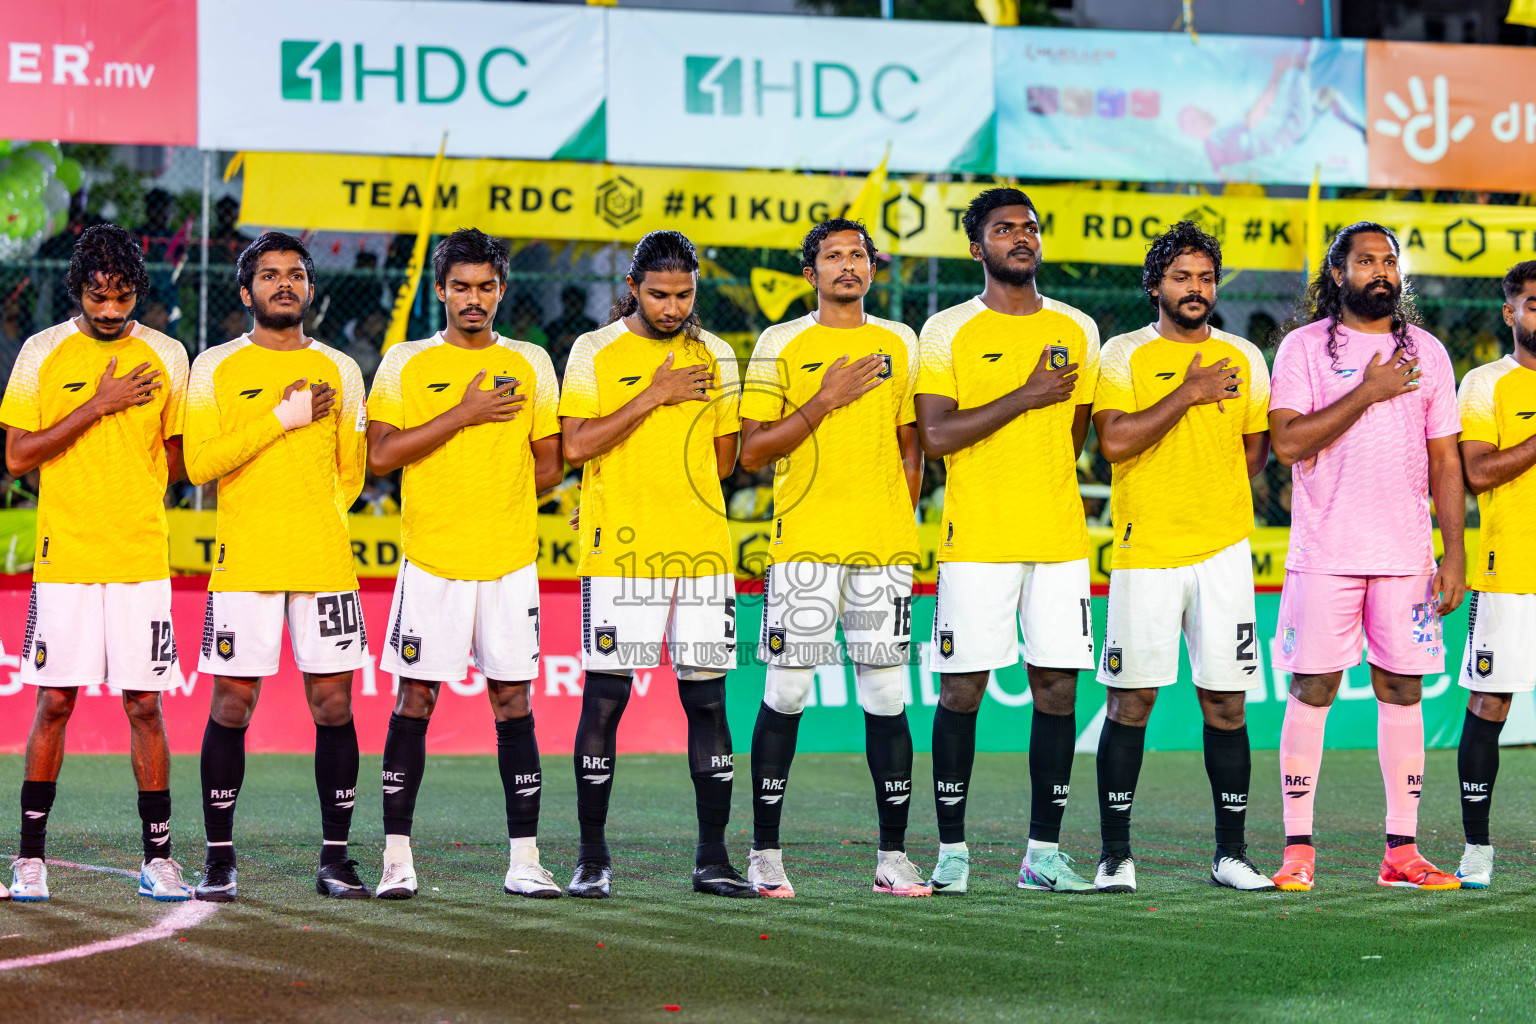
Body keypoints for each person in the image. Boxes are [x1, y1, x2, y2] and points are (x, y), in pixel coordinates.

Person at [1268, 221, 1465, 892]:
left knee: (1403, 689)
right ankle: (1298, 851)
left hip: (1406, 553)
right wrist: (1368, 391)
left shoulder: (1429, 353)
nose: (1380, 270)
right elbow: (1289, 444)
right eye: (1365, 261)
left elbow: (1446, 458)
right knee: (1314, 688)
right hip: (1325, 551)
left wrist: (1453, 551)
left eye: (1389, 261)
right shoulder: (1301, 349)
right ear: (1337, 275)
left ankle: (1401, 854)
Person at [367, 229, 564, 899]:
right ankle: (397, 860)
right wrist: (465, 412)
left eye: (485, 287)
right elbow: (381, 455)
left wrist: (494, 496)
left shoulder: (533, 361)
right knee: (415, 698)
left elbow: (550, 463)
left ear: (501, 291)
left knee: (514, 701)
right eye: (461, 287)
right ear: (441, 291)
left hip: (509, 562)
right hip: (434, 562)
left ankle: (526, 860)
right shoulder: (405, 362)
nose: (473, 299)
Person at [914, 188, 1100, 895]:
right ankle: (953, 853)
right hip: (978, 538)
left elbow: (1074, 436)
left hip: (1056, 538)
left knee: (1057, 688)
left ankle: (1042, 856)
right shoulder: (946, 330)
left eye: (1029, 227)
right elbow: (935, 437)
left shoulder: (1077, 327)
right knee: (963, 690)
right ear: (976, 247)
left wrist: (1035, 416)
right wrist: (1023, 395)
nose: (1021, 237)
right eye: (1003, 229)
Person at [558, 230, 752, 899]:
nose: (673, 307)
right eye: (660, 294)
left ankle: (712, 859)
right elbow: (576, 445)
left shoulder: (719, 354)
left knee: (707, 701)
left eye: (685, 294)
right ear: (634, 288)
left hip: (700, 549)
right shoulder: (595, 350)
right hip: (622, 551)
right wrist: (654, 394)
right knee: (606, 700)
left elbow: (728, 460)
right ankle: (591, 858)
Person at [1, 224, 191, 902]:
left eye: (122, 296)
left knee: (144, 704)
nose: (110, 311)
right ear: (76, 289)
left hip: (140, 555)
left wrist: (130, 478)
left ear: (139, 290)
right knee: (55, 702)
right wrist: (100, 404)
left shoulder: (168, 353)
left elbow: (180, 456)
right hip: (67, 557)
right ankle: (30, 859)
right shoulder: (41, 352)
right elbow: (19, 456)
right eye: (96, 296)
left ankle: (160, 858)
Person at [738, 218, 926, 898]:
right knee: (786, 692)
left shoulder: (899, 340)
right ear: (810, 271)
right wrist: (824, 399)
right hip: (805, 549)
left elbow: (912, 445)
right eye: (832, 256)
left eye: (858, 255)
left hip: (883, 552)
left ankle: (893, 859)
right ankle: (764, 854)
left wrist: (896, 513)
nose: (848, 265)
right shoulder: (780, 342)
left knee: (887, 696)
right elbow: (752, 452)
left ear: (872, 268)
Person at [184, 231, 371, 901]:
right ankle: (218, 859)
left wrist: (313, 516)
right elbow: (198, 464)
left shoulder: (343, 370)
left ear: (311, 289)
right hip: (246, 561)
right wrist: (279, 417)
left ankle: (336, 859)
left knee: (334, 705)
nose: (284, 283)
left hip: (321, 559)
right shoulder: (213, 368)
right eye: (270, 275)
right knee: (232, 706)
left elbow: (353, 474)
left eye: (295, 274)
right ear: (246, 292)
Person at [1091, 221, 1274, 894]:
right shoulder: (1123, 355)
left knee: (1227, 705)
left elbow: (1255, 451)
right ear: (1155, 286)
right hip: (1146, 553)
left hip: (1224, 553)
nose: (1195, 289)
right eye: (1181, 277)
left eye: (1205, 277)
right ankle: (1116, 855)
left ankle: (1231, 855)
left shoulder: (1246, 357)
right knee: (1130, 702)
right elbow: (1113, 442)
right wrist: (1190, 393)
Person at [1440, 262, 1536, 889]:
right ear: (1510, 313)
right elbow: (1476, 473)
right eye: (1534, 303)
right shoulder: (1484, 385)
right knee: (1489, 701)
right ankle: (1477, 848)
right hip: (1510, 571)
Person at [544, 285, 598, 377]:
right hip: (559, 365)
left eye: (577, 302)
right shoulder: (554, 326)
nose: (573, 305)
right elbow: (549, 350)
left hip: (584, 363)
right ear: (564, 302)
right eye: (570, 301)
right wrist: (561, 342)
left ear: (583, 303)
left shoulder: (591, 325)